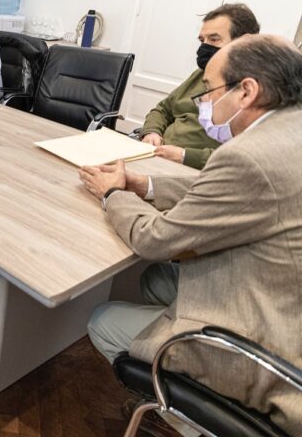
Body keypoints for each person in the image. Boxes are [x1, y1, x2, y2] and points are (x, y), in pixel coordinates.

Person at [79, 34, 302, 435]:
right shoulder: (289, 132)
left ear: (246, 91)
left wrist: (112, 193)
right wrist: (143, 185)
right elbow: (229, 196)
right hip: (287, 301)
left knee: (103, 320)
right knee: (155, 280)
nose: (203, 102)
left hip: (271, 347)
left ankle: (187, 420)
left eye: (210, 90)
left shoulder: (248, 155)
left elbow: (154, 240)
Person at [139, 3, 260, 169]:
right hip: (158, 154)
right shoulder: (200, 74)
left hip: (193, 169)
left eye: (214, 39)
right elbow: (163, 109)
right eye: (202, 40)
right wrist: (152, 132)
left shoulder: (252, 91)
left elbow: (243, 158)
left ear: (243, 42)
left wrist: (184, 156)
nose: (204, 47)